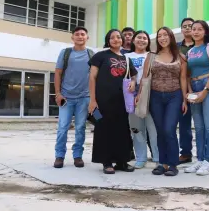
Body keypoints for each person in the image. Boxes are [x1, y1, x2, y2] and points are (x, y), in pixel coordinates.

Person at [138, 27, 188, 176]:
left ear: (171, 37)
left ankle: (173, 164)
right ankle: (162, 163)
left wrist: (185, 100)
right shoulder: (151, 56)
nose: (162, 38)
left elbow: (183, 79)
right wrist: (139, 94)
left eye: (165, 35)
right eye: (159, 35)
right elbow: (145, 78)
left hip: (175, 96)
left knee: (169, 129)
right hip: (155, 96)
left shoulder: (180, 57)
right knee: (159, 130)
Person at [88, 29, 138, 174]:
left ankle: (122, 161)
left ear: (122, 40)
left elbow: (133, 76)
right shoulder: (100, 56)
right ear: (108, 41)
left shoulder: (127, 59)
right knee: (102, 129)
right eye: (112, 38)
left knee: (122, 130)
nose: (116, 40)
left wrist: (134, 83)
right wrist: (92, 100)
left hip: (121, 102)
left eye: (118, 37)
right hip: (101, 102)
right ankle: (106, 162)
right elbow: (92, 78)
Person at [184, 20, 209, 176]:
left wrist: (205, 90)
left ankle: (208, 161)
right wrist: (191, 91)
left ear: (205, 32)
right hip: (194, 86)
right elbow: (187, 74)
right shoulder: (190, 51)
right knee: (198, 127)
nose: (196, 32)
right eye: (194, 29)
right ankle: (199, 159)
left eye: (200, 29)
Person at [53, 26, 93, 168]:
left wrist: (93, 98)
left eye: (83, 34)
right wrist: (58, 93)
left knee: (80, 127)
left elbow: (95, 77)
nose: (80, 36)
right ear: (72, 37)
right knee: (63, 127)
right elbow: (57, 73)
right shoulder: (65, 53)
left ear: (87, 37)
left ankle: (78, 156)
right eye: (77, 34)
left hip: (84, 97)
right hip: (66, 98)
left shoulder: (91, 54)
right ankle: (59, 155)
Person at [127, 30, 159, 169]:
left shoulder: (153, 56)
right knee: (136, 128)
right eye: (138, 37)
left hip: (150, 91)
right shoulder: (126, 56)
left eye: (144, 38)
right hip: (131, 92)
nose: (141, 40)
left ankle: (158, 158)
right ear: (133, 40)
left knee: (153, 128)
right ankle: (141, 157)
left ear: (148, 41)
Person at [177, 17, 195, 164]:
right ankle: (186, 153)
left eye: (191, 26)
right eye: (185, 26)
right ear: (181, 29)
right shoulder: (176, 47)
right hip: (182, 88)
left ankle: (204, 155)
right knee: (184, 123)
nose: (188, 28)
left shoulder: (203, 45)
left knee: (203, 124)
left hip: (200, 87)